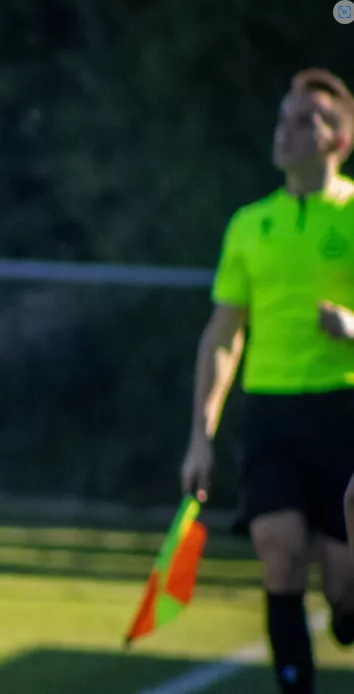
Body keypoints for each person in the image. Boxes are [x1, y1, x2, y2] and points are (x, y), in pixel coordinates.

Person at [182, 67, 354, 694]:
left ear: (339, 139)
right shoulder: (250, 225)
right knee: (277, 550)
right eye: (283, 118)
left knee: (343, 585)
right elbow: (223, 336)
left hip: (344, 413)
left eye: (305, 119)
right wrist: (201, 438)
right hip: (271, 416)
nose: (286, 130)